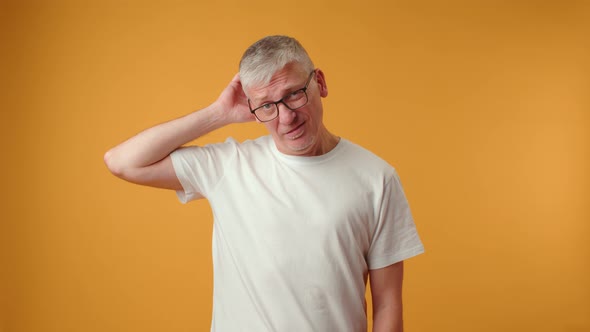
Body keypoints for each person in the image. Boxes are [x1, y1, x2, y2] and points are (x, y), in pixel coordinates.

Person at [104, 35, 424, 332]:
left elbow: (387, 305)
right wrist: (219, 114)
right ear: (253, 110)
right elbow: (122, 162)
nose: (285, 117)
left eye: (294, 95)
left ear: (320, 83)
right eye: (267, 106)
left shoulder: (377, 178)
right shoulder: (228, 166)